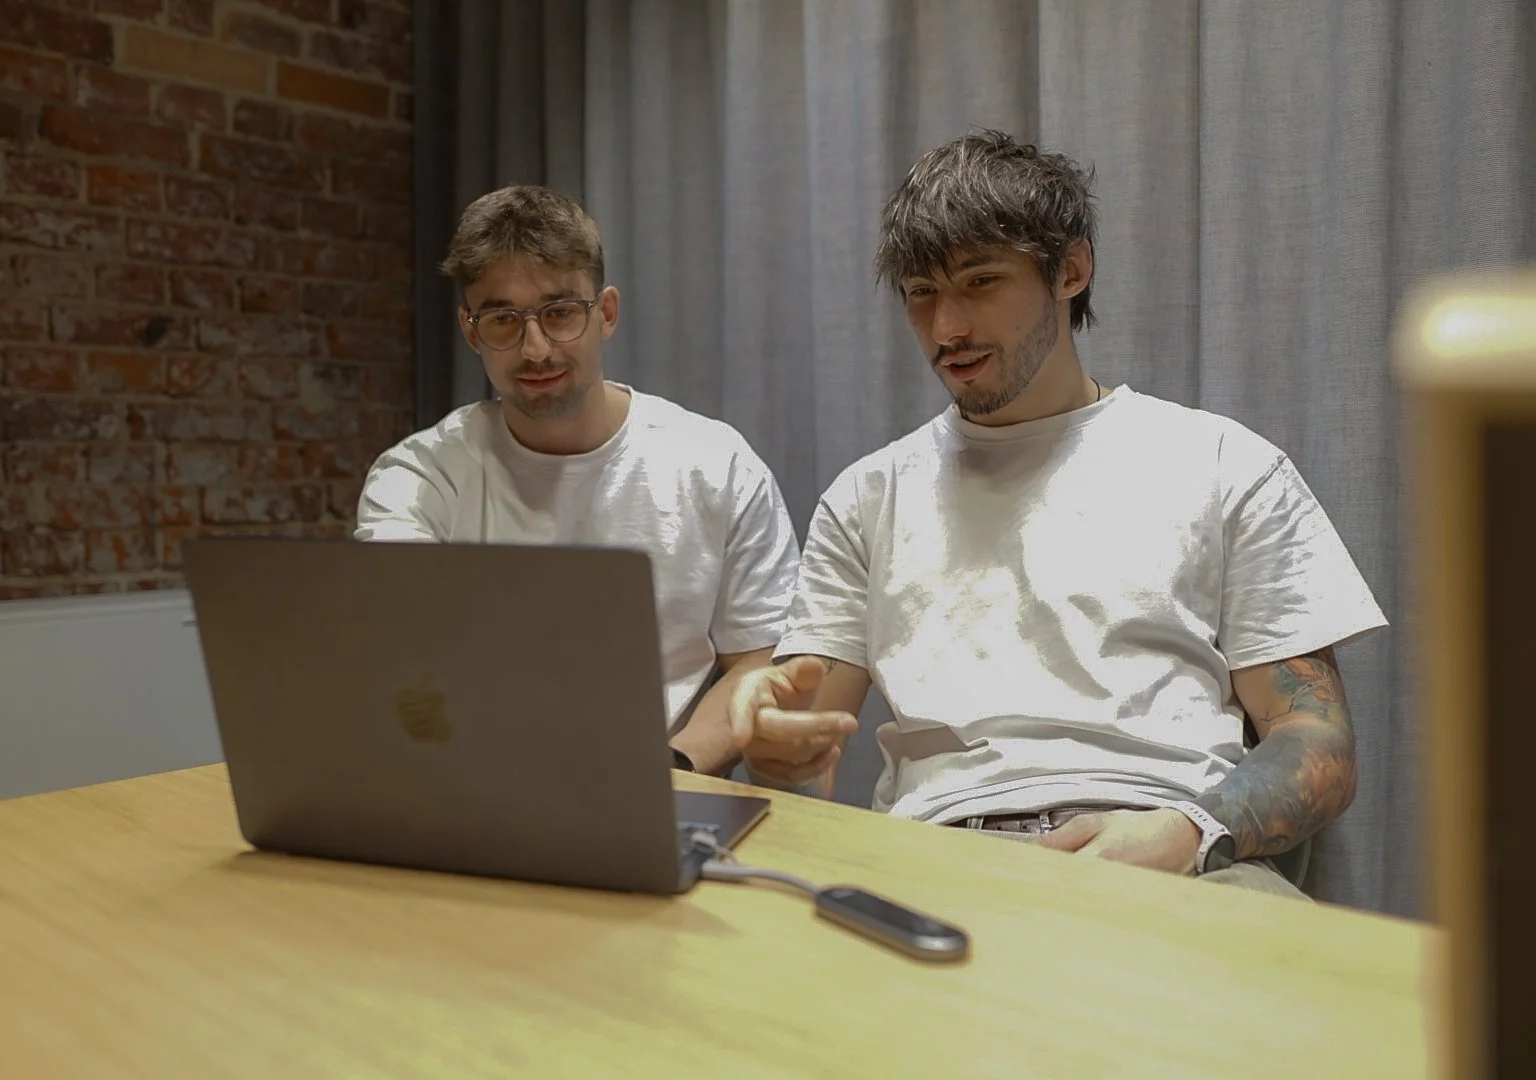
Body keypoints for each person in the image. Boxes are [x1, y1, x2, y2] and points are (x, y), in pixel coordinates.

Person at [726, 131, 1387, 898]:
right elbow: (804, 745)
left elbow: (1317, 740)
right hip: (938, 861)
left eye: (980, 282)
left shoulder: (1221, 464)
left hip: (1170, 850)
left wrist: (1190, 833)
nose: (947, 329)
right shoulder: (868, 497)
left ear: (1070, 270)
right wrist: (772, 745)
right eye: (921, 293)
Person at [356, 185, 800, 777]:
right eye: (503, 320)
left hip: (666, 784)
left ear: (606, 313)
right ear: (470, 331)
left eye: (560, 312)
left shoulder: (716, 465)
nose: (535, 348)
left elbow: (758, 661)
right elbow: (407, 655)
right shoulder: (417, 479)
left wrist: (669, 774)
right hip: (468, 784)